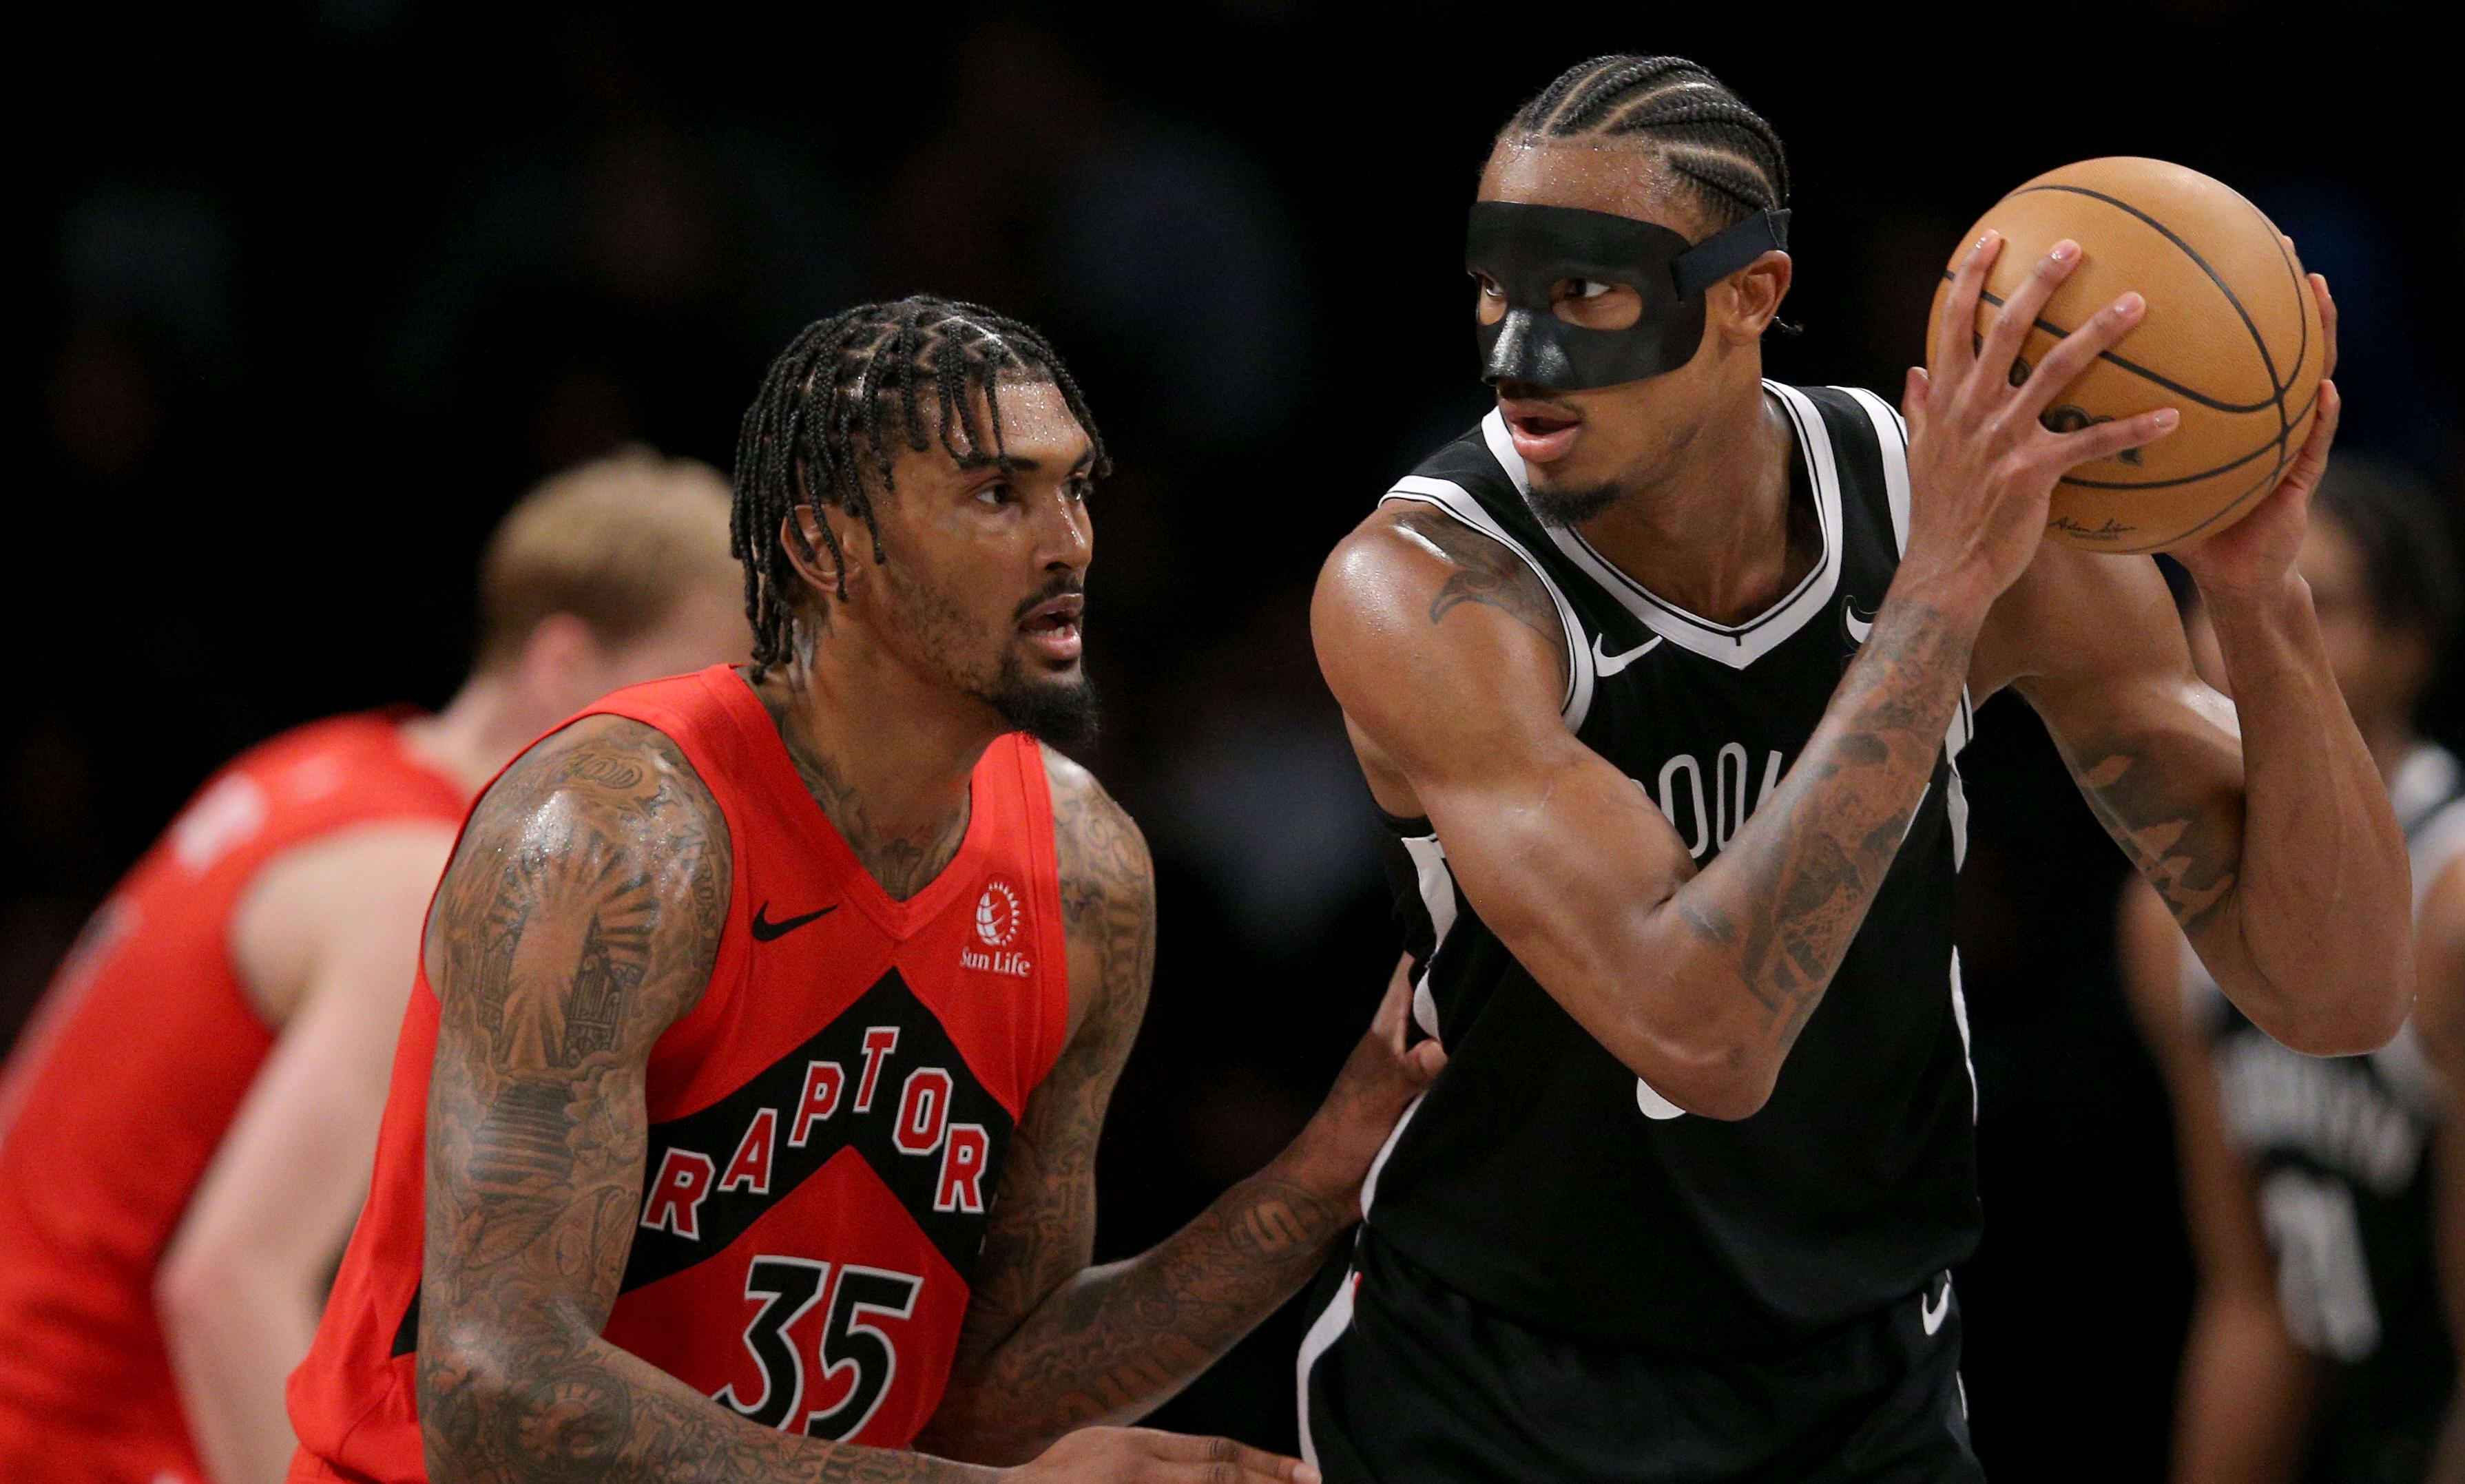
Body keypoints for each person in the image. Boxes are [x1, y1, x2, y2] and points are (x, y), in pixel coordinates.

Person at [1300, 54, 2415, 1483]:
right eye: (1494, 290)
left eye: (1584, 291)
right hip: (1496, 1386)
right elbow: (1703, 1037)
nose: (1517, 351)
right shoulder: (1425, 590)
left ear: (1749, 296)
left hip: (1858, 1381)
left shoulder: (1952, 518)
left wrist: (2256, 598)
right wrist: (1938, 595)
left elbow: (2337, 992)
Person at [287, 295, 1442, 1484]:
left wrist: (1315, 1183)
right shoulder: (613, 836)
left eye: (1077, 488)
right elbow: (498, 1393)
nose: (1071, 543)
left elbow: (986, 1399)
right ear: (825, 548)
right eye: (1000, 494)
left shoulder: (1085, 871)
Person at [0, 447, 756, 1484]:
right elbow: (227, 1284)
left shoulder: (317, 764)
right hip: (78, 1443)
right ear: (563, 663)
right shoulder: (418, 884)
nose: (716, 751)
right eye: (698, 696)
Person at [2119, 459, 2465, 1484]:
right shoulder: (2162, 916)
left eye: (2310, 601)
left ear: (2412, 646)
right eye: (2218, 596)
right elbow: (2253, 1308)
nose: (2244, 634)